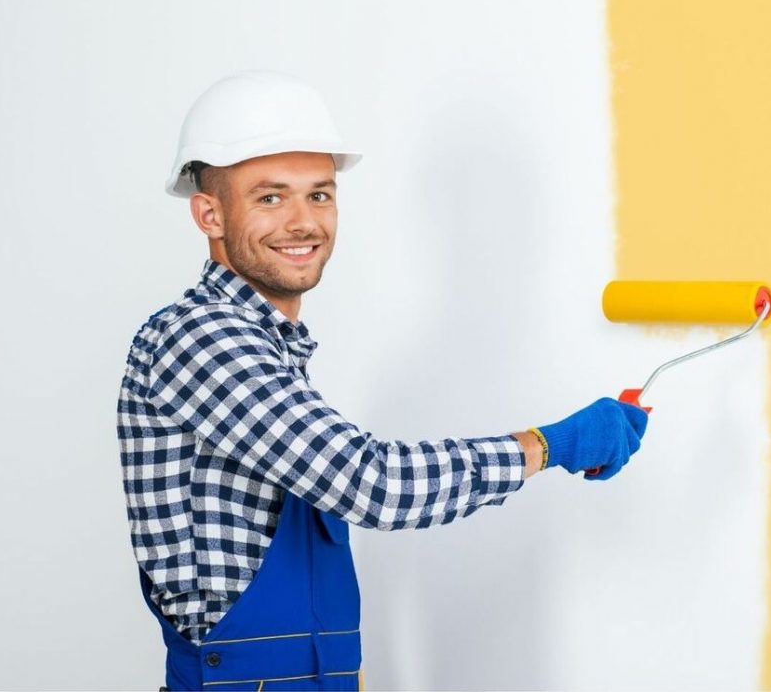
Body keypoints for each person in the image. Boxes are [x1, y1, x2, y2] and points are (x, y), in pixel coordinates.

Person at [116, 69, 649, 692]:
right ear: (209, 214)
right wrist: (550, 444)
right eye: (270, 198)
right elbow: (372, 483)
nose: (303, 221)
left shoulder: (269, 350)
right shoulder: (201, 339)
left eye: (319, 194)